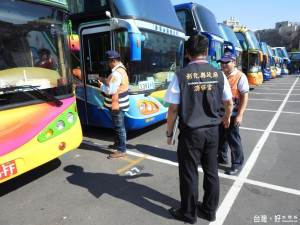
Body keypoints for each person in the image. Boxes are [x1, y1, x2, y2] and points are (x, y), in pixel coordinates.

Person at [164, 35, 233, 224]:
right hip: (212, 132)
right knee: (211, 171)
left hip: (191, 133)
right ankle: (210, 211)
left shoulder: (181, 75)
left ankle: (188, 213)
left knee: (189, 172)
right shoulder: (219, 74)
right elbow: (228, 102)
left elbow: (173, 109)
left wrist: (169, 133)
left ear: (187, 53)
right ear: (208, 51)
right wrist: (226, 117)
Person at [217, 51, 249, 175]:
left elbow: (244, 97)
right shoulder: (220, 75)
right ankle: (222, 157)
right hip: (220, 114)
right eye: (222, 62)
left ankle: (237, 164)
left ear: (234, 62)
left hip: (233, 114)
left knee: (233, 139)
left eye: (227, 62)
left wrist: (240, 115)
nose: (224, 65)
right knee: (221, 137)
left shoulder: (240, 76)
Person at [97, 50, 129, 159]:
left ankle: (122, 150)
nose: (108, 64)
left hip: (117, 104)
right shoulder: (121, 69)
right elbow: (115, 84)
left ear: (113, 61)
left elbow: (110, 90)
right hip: (119, 103)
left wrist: (101, 85)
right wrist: (105, 79)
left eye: (108, 62)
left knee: (119, 128)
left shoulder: (116, 73)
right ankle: (117, 144)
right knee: (116, 127)